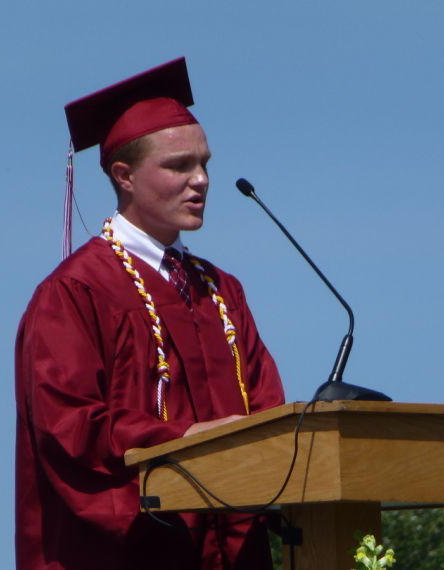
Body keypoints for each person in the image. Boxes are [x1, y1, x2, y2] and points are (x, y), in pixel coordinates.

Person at [15, 57, 285, 570]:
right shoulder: (75, 292)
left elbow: (266, 410)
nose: (201, 180)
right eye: (179, 166)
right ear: (125, 176)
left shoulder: (222, 292)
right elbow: (70, 428)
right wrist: (182, 441)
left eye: (204, 163)